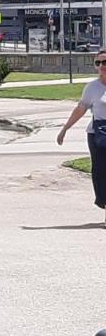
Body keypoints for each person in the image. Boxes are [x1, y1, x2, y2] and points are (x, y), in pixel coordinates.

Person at [57, 50, 106, 214]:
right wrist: (65, 129)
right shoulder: (92, 87)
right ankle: (103, 201)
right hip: (97, 135)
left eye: (105, 62)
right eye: (98, 63)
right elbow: (81, 108)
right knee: (99, 171)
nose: (101, 66)